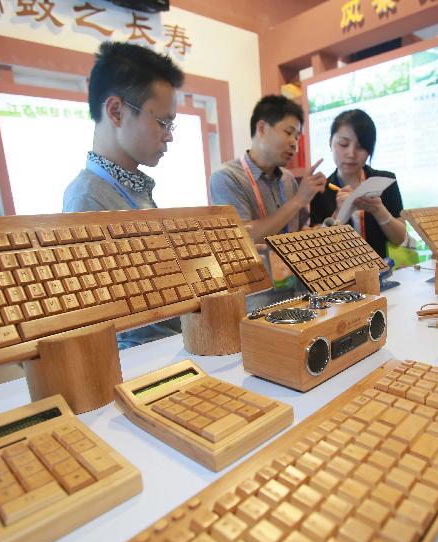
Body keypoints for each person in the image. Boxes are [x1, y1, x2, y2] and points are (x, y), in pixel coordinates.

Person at [63, 41, 185, 348]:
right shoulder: (87, 201)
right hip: (145, 362)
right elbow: (124, 323)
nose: (169, 135)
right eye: (163, 122)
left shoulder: (133, 188)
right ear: (116, 111)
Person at [209, 95, 326, 243]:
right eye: (289, 132)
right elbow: (241, 240)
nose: (294, 144)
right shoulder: (226, 177)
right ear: (262, 128)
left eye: (297, 137)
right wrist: (298, 200)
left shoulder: (288, 179)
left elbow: (298, 229)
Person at [309, 109, 406, 258]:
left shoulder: (384, 181)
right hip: (339, 276)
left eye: (360, 147)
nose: (351, 153)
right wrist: (339, 214)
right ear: (330, 142)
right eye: (343, 144)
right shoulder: (321, 190)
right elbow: (318, 251)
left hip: (380, 274)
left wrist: (378, 210)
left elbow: (400, 239)